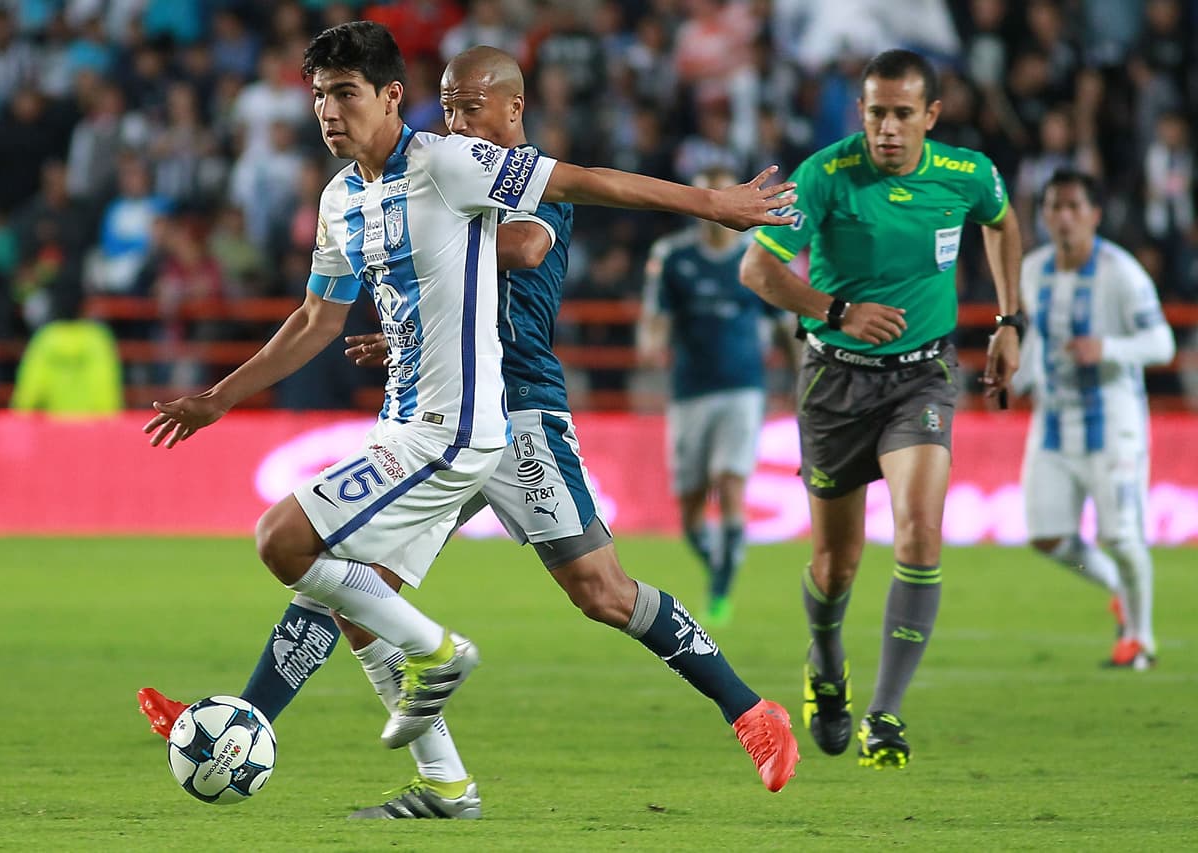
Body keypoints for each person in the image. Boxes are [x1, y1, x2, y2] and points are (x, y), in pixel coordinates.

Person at [141, 22, 801, 801]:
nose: (457, 123)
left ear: (512, 109)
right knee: (351, 586)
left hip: (519, 409)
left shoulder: (496, 177)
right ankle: (278, 729)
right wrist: (408, 314)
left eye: (470, 108)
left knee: (601, 591)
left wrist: (711, 205)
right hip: (436, 411)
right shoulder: (377, 188)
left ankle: (751, 709)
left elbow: (526, 246)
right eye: (448, 108)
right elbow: (343, 305)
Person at [737, 49, 1023, 770]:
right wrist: (837, 310)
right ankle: (825, 660)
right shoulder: (824, 175)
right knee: (836, 565)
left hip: (922, 378)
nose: (887, 128)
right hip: (835, 383)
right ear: (860, 112)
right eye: (875, 113)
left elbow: (1003, 222)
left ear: (931, 114)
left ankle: (886, 714)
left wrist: (1009, 321)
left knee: (920, 534)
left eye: (902, 114)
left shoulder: (966, 174)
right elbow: (758, 268)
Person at [1014, 168, 1175, 670]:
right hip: (1053, 424)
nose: (1063, 217)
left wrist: (1107, 348)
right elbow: (1038, 335)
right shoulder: (1033, 269)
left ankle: (1140, 641)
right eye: (1054, 207)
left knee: (1123, 538)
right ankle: (1117, 591)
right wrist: (1017, 376)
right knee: (1047, 538)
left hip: (1114, 425)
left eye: (1073, 207)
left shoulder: (1122, 272)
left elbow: (1162, 343)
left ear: (1094, 215)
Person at [637, 165, 777, 627]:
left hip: (743, 386)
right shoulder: (673, 256)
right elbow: (657, 314)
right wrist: (651, 343)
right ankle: (720, 563)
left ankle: (721, 588)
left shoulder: (757, 255)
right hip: (690, 390)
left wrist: (802, 377)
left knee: (730, 481)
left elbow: (784, 319)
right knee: (691, 508)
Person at [9, 282, 123, 415]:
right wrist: (110, 419)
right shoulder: (97, 338)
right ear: (83, 305)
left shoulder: (47, 338)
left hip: (53, 423)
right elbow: (106, 386)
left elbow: (29, 390)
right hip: (91, 423)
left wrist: (20, 414)